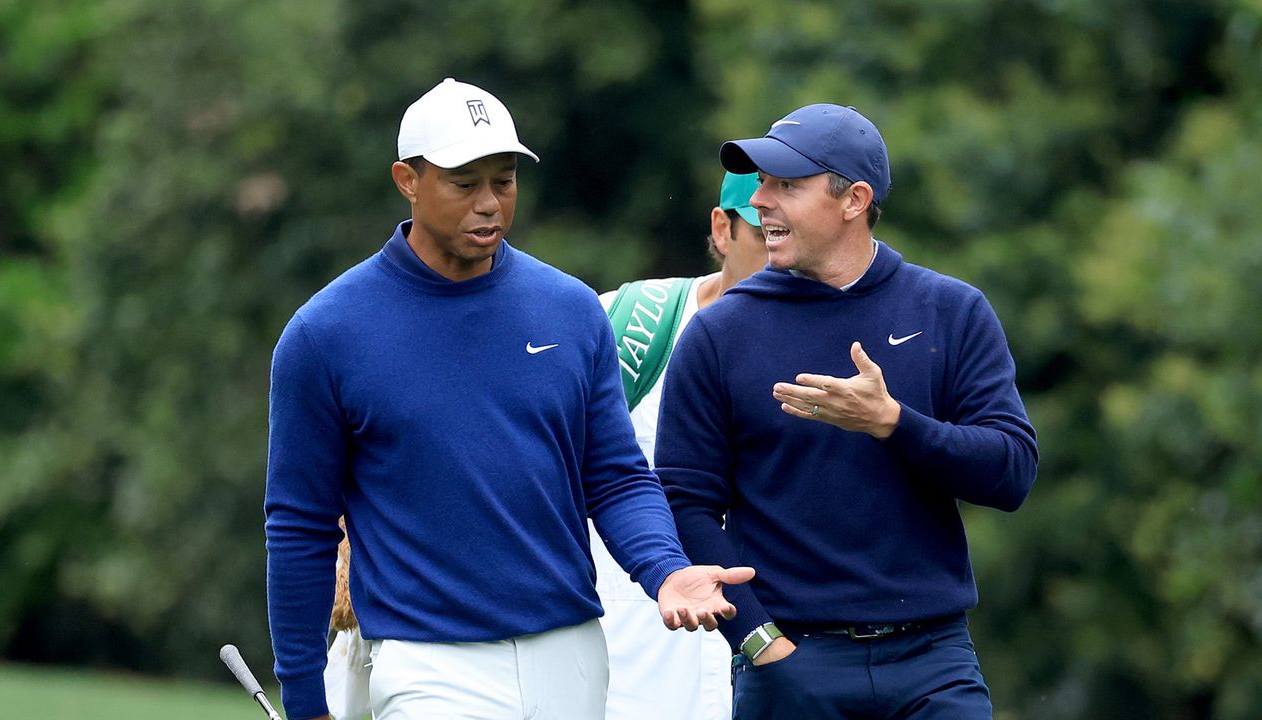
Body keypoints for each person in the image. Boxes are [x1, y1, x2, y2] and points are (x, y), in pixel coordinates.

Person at [265, 77, 753, 720]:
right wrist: (304, 698)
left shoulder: (571, 310)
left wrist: (664, 569)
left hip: (571, 652)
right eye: (465, 183)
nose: (490, 203)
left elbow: (613, 476)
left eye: (504, 181)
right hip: (427, 661)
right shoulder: (326, 334)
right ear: (407, 180)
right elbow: (299, 525)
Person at [654, 104, 1039, 719]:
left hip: (934, 665)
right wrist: (757, 640)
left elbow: (1012, 473)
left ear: (854, 199)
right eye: (761, 185)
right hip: (790, 665)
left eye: (786, 186)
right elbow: (684, 500)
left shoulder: (951, 311)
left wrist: (893, 424)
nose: (761, 202)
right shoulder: (719, 334)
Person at [592, 171, 767, 720]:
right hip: (630, 649)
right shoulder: (626, 322)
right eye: (767, 233)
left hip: (776, 646)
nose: (784, 252)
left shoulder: (839, 341)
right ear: (722, 228)